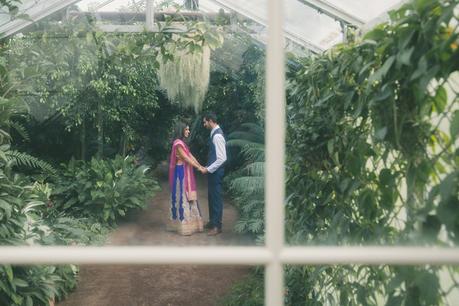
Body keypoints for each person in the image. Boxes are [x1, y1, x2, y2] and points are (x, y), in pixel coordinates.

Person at [168, 122, 205, 235]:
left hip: (185, 171)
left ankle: (193, 225)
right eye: (187, 130)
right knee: (182, 197)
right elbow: (186, 158)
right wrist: (199, 167)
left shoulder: (183, 144)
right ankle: (184, 227)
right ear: (181, 131)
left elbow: (191, 156)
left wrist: (200, 165)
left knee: (189, 197)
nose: (188, 131)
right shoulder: (178, 144)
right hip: (180, 173)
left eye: (189, 129)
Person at [200, 112, 227, 236]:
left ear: (211, 121)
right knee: (211, 197)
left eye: (205, 122)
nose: (204, 124)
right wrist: (208, 167)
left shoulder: (217, 136)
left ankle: (217, 226)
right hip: (213, 172)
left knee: (216, 198)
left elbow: (222, 158)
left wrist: (208, 169)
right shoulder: (214, 134)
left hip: (216, 173)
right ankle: (212, 222)